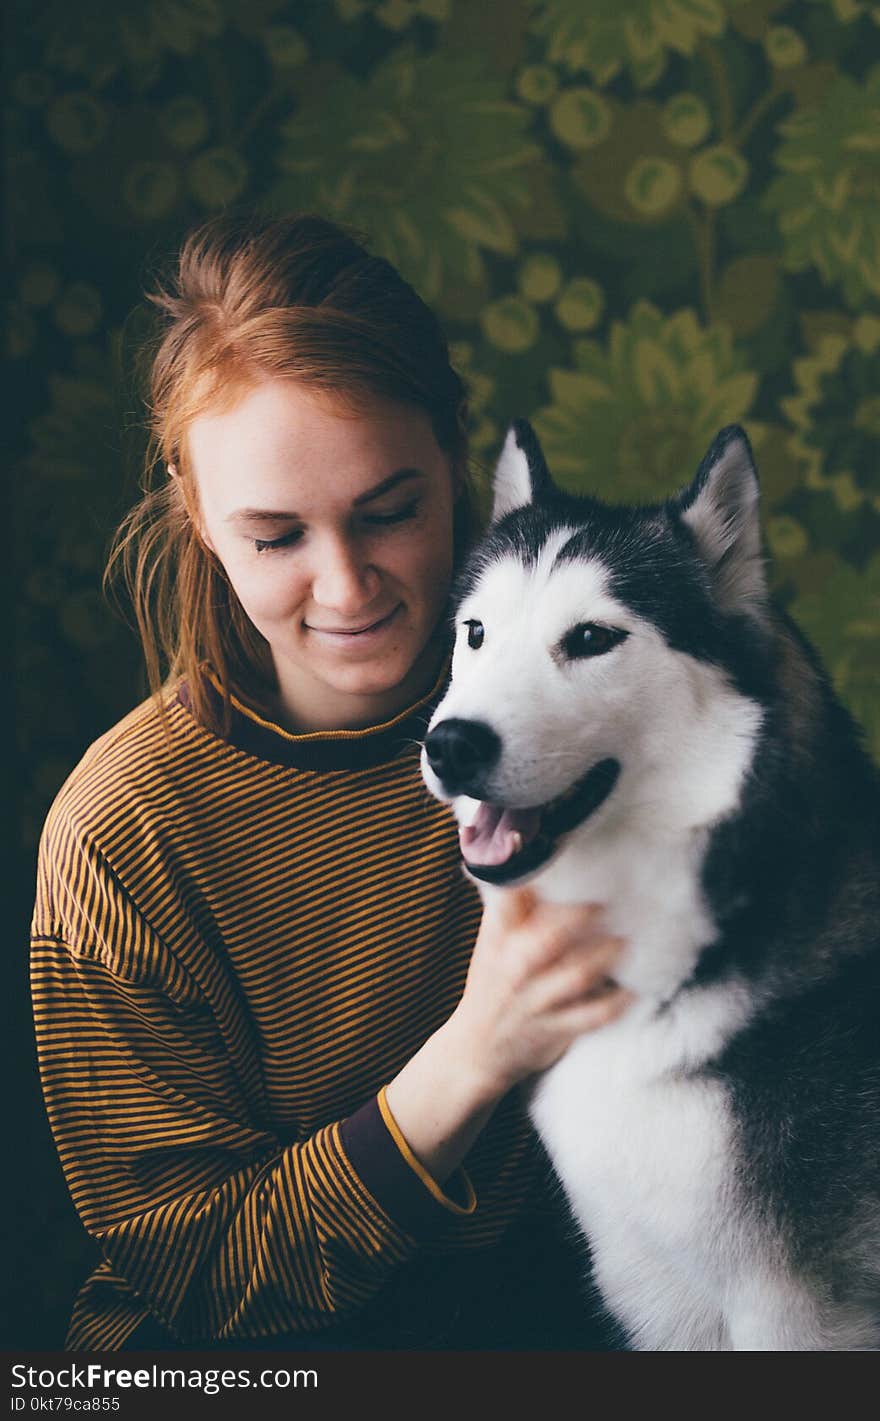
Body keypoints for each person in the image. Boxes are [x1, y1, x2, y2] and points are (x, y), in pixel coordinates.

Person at [30, 209, 632, 1352]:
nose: (347, 587)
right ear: (196, 512)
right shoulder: (122, 835)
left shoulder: (593, 688)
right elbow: (195, 1278)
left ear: (452, 453)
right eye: (275, 536)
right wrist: (480, 1047)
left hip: (544, 1312)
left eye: (389, 512)